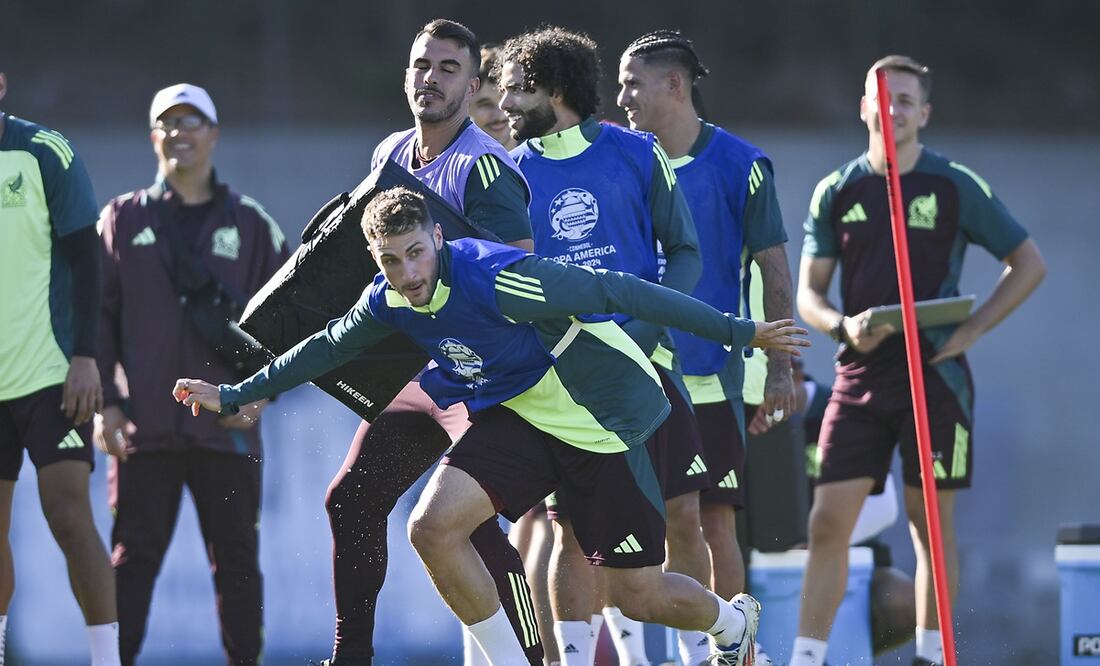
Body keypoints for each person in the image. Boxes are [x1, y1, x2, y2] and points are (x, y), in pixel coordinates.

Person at [175, 186, 811, 666]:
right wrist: (236, 393)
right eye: (391, 261)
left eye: (416, 254)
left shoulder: (498, 277)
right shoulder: (389, 295)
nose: (408, 274)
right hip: (526, 417)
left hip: (606, 423)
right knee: (433, 528)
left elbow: (620, 291)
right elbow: (325, 347)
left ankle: (731, 625)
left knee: (635, 596)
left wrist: (741, 331)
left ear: (437, 241)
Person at [791, 55, 1046, 666]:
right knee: (828, 520)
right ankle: (805, 656)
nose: (893, 109)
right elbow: (808, 293)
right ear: (863, 107)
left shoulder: (953, 183)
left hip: (935, 377)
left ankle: (932, 655)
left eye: (906, 100)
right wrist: (840, 325)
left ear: (923, 113)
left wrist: (975, 328)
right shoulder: (838, 189)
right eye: (883, 97)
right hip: (859, 376)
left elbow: (1028, 262)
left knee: (927, 521)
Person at [322, 19, 540, 666]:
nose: (431, 78)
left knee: (473, 527)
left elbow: (519, 284)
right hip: (422, 374)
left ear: (473, 84)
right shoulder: (389, 154)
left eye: (449, 69)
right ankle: (350, 656)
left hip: (479, 376)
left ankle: (530, 658)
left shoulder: (485, 169)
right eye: (423, 64)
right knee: (352, 499)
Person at [496, 27, 715, 666]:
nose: (505, 104)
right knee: (572, 529)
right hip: (568, 384)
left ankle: (700, 655)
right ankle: (573, 658)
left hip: (652, 368)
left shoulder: (639, 154)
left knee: (682, 517)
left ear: (556, 91)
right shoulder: (509, 174)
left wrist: (641, 335)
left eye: (518, 89)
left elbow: (686, 255)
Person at [95, 83, 289, 666]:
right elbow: (96, 320)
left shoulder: (252, 223)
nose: (180, 132)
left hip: (225, 428)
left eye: (193, 121)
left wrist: (263, 395)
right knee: (131, 562)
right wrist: (107, 403)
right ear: (154, 137)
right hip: (143, 427)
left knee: (236, 563)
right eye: (168, 123)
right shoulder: (122, 218)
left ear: (215, 134)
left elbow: (290, 317)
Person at [617, 30, 795, 666]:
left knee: (711, 521)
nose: (621, 96)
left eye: (632, 82)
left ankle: (725, 656)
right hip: (637, 372)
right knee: (647, 525)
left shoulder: (742, 164)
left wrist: (782, 367)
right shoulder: (625, 160)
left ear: (675, 84)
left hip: (713, 376)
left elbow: (775, 270)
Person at [0, 70, 122, 666]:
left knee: (69, 516)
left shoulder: (43, 150)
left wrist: (85, 356)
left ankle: (106, 659)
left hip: (52, 373)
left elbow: (86, 257)